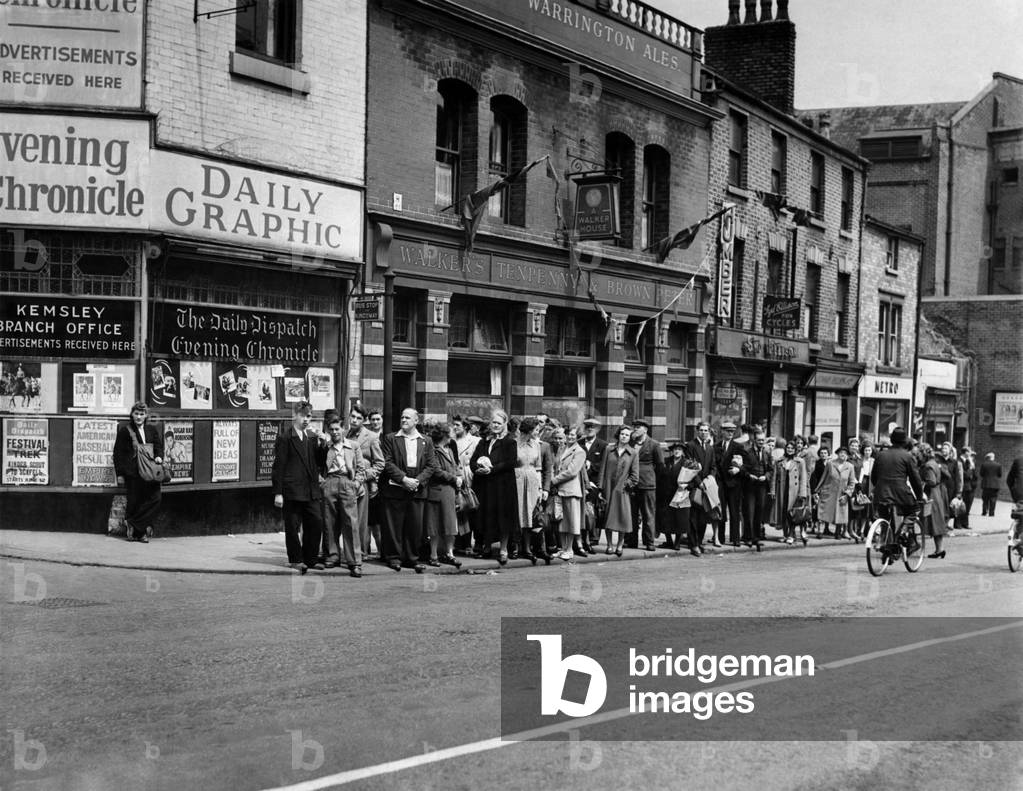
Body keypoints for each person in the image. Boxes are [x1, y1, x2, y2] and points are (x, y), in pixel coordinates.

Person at [379, 407, 437, 573]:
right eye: (402, 417)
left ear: (416, 421)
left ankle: (411, 559)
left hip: (417, 489)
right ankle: (394, 558)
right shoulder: (391, 438)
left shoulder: (426, 440)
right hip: (395, 489)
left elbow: (431, 465)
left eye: (407, 418)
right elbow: (387, 462)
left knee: (414, 526)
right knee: (394, 525)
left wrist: (417, 481)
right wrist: (404, 479)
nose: (403, 420)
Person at [271, 401, 324, 572]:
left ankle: (310, 559)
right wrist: (278, 493)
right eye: (303, 415)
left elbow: (319, 462)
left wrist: (324, 444)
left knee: (315, 522)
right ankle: (295, 559)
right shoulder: (285, 438)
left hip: (310, 490)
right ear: (295, 416)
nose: (306, 419)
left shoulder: (311, 438)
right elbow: (278, 467)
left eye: (309, 416)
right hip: (292, 490)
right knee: (292, 526)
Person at [317, 416, 368, 577]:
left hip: (347, 482)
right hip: (330, 482)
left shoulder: (352, 446)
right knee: (329, 521)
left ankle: (354, 561)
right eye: (331, 429)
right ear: (328, 431)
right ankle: (332, 556)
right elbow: (317, 466)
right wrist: (322, 483)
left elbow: (361, 468)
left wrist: (357, 483)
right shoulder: (325, 446)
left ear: (343, 429)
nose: (334, 432)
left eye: (337, 429)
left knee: (350, 523)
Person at [469, 409, 518, 564]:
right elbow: (473, 460)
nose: (495, 425)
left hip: (502, 486)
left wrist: (492, 469)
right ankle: (487, 546)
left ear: (504, 424)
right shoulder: (483, 442)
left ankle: (503, 549)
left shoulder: (509, 442)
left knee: (503, 517)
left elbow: (510, 462)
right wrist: (477, 469)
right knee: (486, 515)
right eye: (493, 422)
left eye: (498, 423)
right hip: (485, 486)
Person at [113, 401, 165, 544]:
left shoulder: (151, 430)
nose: (139, 417)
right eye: (136, 413)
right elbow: (118, 454)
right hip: (133, 473)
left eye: (142, 414)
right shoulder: (126, 431)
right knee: (135, 501)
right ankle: (140, 534)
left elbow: (159, 446)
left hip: (149, 471)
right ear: (132, 414)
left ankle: (132, 523)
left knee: (156, 499)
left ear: (146, 415)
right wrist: (120, 474)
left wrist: (159, 456)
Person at [870, 427, 925, 550]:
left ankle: (884, 540)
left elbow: (874, 477)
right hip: (901, 492)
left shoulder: (880, 455)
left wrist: (879, 487)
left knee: (885, 518)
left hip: (881, 493)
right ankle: (903, 531)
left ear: (891, 440)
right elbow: (915, 480)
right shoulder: (908, 456)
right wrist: (919, 497)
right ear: (905, 441)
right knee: (913, 510)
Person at [346, 403, 385, 558]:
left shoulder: (372, 437)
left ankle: (360, 553)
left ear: (363, 420)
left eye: (359, 418)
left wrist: (364, 475)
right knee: (348, 519)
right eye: (353, 417)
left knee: (361, 521)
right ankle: (350, 551)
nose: (354, 420)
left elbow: (380, 463)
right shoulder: (345, 434)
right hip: (347, 482)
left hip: (363, 484)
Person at [514, 417, 551, 563]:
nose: (537, 432)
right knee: (518, 513)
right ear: (528, 430)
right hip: (517, 480)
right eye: (535, 429)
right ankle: (515, 547)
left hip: (532, 482)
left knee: (530, 514)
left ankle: (528, 548)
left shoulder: (536, 445)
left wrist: (541, 488)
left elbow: (539, 468)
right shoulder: (514, 444)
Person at [425, 423, 462, 568]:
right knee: (434, 525)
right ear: (445, 435)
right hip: (437, 491)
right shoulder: (433, 451)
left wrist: (459, 476)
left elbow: (455, 467)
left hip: (450, 492)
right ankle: (433, 555)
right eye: (451, 432)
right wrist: (454, 478)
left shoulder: (449, 451)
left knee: (450, 525)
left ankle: (449, 553)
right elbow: (436, 471)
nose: (453, 435)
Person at [599, 425, 639, 556]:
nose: (624, 436)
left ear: (629, 437)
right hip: (608, 488)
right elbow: (602, 470)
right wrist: (600, 488)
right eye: (622, 434)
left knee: (622, 517)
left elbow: (635, 476)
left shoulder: (633, 453)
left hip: (622, 490)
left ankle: (620, 545)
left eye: (627, 435)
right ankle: (609, 545)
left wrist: (625, 484)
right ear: (618, 434)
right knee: (607, 517)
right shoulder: (609, 449)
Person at [550, 423, 587, 563]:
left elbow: (572, 472)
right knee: (562, 521)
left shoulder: (579, 451)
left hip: (571, 490)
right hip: (560, 489)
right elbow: (556, 466)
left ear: (578, 437)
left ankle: (569, 549)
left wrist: (554, 480)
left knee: (571, 521)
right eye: (569, 434)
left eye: (573, 435)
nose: (570, 437)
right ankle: (564, 548)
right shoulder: (562, 448)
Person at [628, 418, 664, 551]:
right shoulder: (630, 443)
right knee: (632, 513)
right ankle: (631, 540)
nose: (635, 429)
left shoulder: (654, 444)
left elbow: (660, 465)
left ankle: (649, 542)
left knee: (648, 514)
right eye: (635, 427)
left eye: (639, 427)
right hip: (631, 484)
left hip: (647, 484)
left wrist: (651, 477)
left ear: (646, 429)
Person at [720, 423, 755, 547]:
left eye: (732, 431)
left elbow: (749, 464)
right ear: (722, 431)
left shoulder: (738, 447)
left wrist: (739, 470)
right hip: (720, 484)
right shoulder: (716, 446)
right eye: (727, 431)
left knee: (734, 512)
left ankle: (735, 539)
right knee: (721, 512)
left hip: (734, 484)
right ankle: (720, 538)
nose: (730, 434)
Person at [666, 444, 703, 555]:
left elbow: (694, 478)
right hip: (668, 492)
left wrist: (687, 485)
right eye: (675, 449)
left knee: (681, 518)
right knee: (668, 516)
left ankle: (678, 542)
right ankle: (669, 541)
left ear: (682, 452)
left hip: (682, 493)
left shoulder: (687, 463)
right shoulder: (667, 461)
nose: (677, 451)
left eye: (679, 449)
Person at [685, 421, 718, 549]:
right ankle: (693, 544)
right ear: (697, 431)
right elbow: (690, 465)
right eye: (702, 430)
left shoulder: (710, 448)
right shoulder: (691, 446)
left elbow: (713, 466)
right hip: (695, 486)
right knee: (693, 516)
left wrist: (710, 478)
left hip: (707, 486)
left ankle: (699, 541)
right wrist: (699, 483)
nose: (704, 433)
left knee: (704, 516)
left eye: (706, 430)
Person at [770, 439, 809, 545]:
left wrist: (802, 493)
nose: (790, 450)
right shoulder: (779, 461)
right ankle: (785, 534)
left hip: (794, 491)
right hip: (782, 490)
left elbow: (803, 478)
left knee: (792, 513)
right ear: (785, 449)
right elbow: (774, 477)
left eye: (792, 448)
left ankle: (791, 534)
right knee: (782, 512)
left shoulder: (800, 461)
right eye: (788, 448)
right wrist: (773, 490)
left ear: (795, 449)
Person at [813, 445, 856, 540]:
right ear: (837, 454)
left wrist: (847, 494)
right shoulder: (830, 464)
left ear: (848, 456)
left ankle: (838, 532)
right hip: (828, 491)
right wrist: (817, 491)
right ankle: (820, 531)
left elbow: (852, 482)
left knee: (840, 512)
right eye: (841, 453)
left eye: (845, 454)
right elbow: (823, 477)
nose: (843, 455)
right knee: (824, 510)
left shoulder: (850, 467)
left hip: (842, 493)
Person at [578, 416, 608, 547]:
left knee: (594, 508)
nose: (589, 429)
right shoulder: (579, 443)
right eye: (587, 427)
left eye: (592, 427)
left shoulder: (603, 445)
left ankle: (594, 537)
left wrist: (592, 465)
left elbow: (604, 464)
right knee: (582, 508)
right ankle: (582, 536)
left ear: (597, 429)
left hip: (595, 481)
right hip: (580, 482)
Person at [920, 443, 950, 559]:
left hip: (931, 494)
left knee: (933, 523)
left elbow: (931, 481)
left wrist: (922, 483)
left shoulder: (928, 466)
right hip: (937, 494)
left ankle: (939, 549)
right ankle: (939, 549)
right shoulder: (934, 463)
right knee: (937, 523)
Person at [958, 446, 978, 529]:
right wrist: (970, 468)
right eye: (969, 452)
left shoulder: (969, 461)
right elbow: (965, 474)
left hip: (970, 487)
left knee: (967, 506)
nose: (970, 454)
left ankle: (965, 523)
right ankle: (958, 523)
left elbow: (975, 474)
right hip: (964, 486)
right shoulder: (960, 461)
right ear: (965, 452)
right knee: (961, 506)